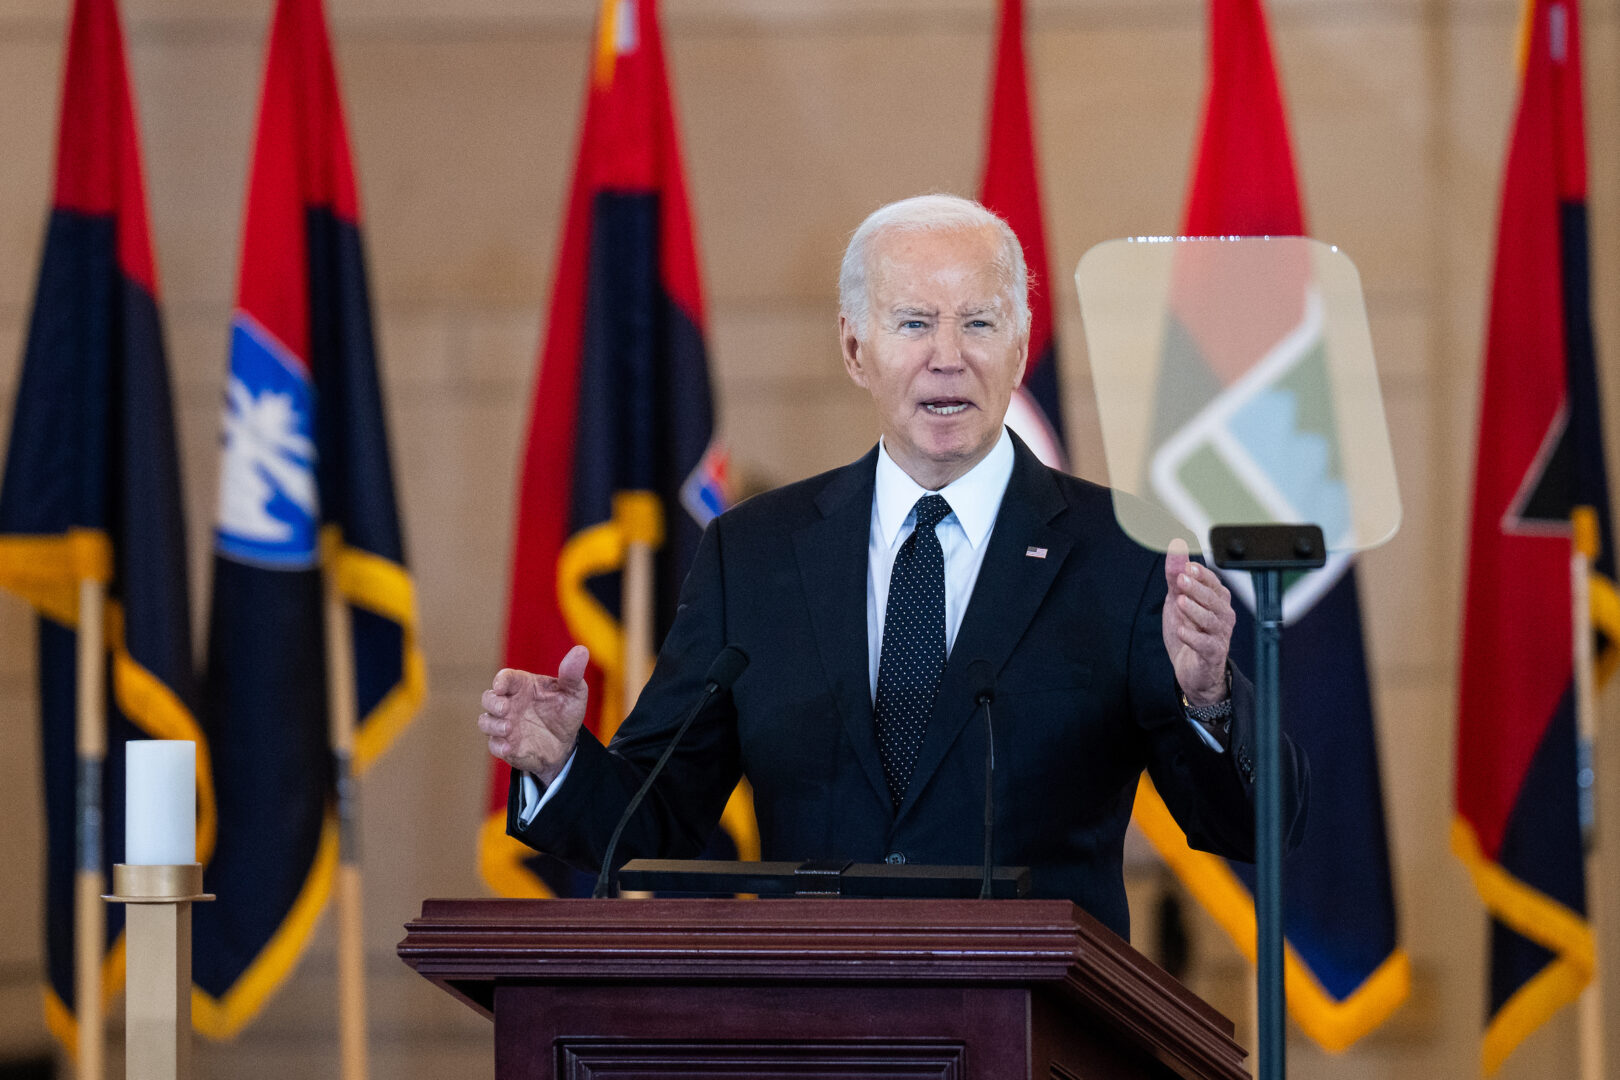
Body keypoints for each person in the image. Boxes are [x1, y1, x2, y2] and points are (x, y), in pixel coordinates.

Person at [478, 194, 1308, 938]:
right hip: (813, 1038)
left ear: (1020, 348)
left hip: (1037, 1034)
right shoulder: (753, 555)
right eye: (914, 323)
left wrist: (1212, 700)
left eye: (979, 323)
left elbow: (1257, 830)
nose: (948, 356)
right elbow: (656, 825)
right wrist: (562, 762)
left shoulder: (1125, 553)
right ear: (855, 347)